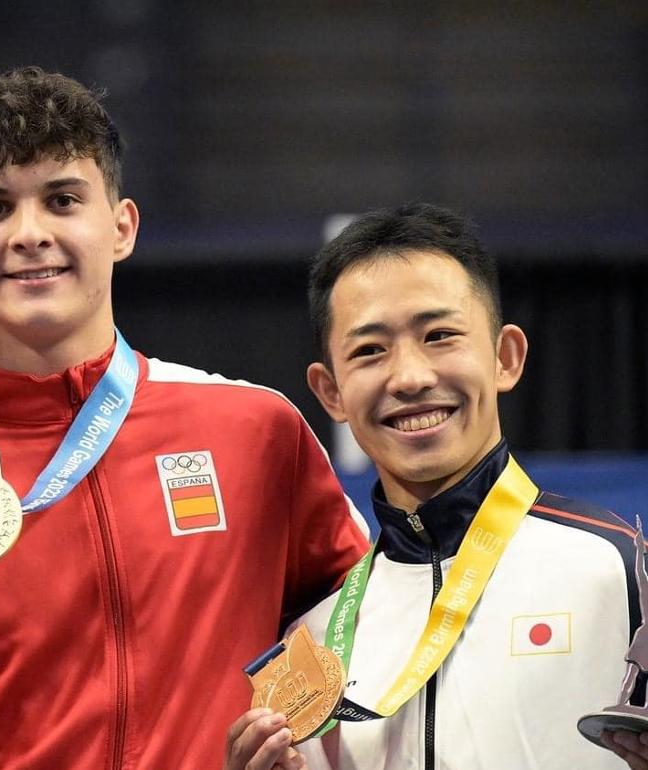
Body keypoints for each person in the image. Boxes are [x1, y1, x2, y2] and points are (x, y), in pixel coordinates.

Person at [0, 66, 368, 769]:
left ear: (121, 226)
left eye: (63, 200)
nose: (30, 232)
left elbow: (361, 633)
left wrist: (304, 755)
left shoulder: (253, 431)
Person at [222, 203, 645, 770]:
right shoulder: (310, 649)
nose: (412, 377)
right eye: (370, 350)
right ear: (332, 394)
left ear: (505, 357)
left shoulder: (622, 570)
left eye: (440, 335)